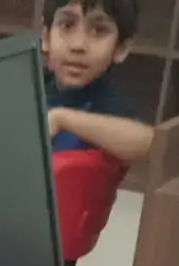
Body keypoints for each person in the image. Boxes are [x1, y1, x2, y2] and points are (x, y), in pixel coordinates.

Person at [43, 0, 155, 163]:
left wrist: (61, 119)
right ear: (46, 38)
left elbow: (147, 142)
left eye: (98, 30)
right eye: (67, 25)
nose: (78, 45)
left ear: (121, 48)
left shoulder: (110, 104)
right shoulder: (32, 83)